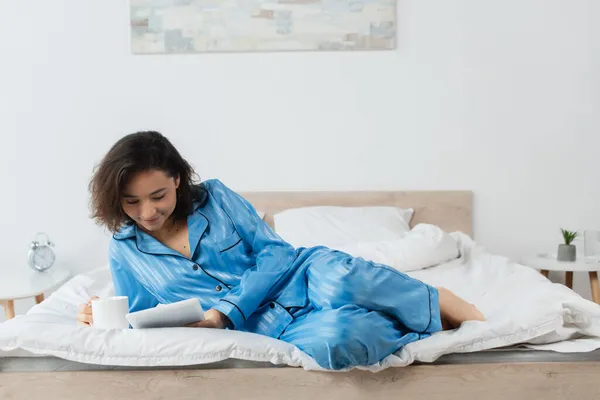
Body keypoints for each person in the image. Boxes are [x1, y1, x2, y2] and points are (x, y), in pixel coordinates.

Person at [77, 131, 485, 370]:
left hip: (299, 275)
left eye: (158, 195)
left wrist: (226, 310)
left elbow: (273, 253)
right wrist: (99, 315)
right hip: (268, 327)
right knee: (337, 341)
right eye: (132, 202)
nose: (147, 212)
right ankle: (404, 319)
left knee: (341, 281)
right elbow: (143, 317)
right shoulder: (124, 249)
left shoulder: (216, 198)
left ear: (178, 180)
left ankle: (436, 300)